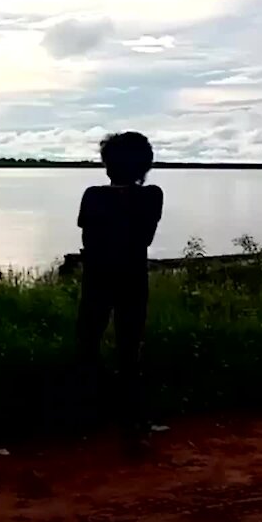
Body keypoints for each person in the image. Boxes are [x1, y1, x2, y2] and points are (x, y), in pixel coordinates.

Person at [75, 131, 164, 452]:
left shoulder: (93, 195)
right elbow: (146, 239)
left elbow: (88, 238)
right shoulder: (152, 196)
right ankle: (132, 423)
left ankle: (84, 415)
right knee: (129, 350)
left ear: (107, 165)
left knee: (87, 345)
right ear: (145, 165)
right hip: (132, 277)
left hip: (97, 276)